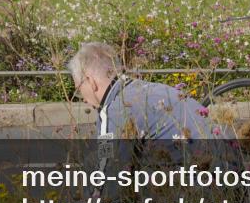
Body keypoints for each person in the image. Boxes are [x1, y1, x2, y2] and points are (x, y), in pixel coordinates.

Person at [68, 42, 215, 140]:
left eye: (79, 90)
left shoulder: (116, 111)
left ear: (90, 81)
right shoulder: (147, 88)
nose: (83, 99)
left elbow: (107, 175)